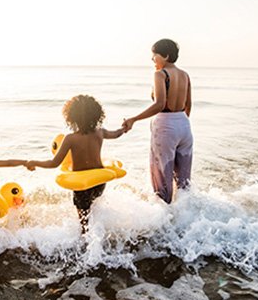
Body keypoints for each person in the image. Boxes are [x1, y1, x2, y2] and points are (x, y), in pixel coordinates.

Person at [27, 95, 124, 232]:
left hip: (81, 185)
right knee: (95, 206)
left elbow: (54, 163)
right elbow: (116, 134)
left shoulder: (70, 139)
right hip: (99, 182)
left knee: (84, 221)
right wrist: (124, 128)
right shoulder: (100, 132)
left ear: (71, 118)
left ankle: (86, 238)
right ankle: (98, 232)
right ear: (96, 114)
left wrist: (34, 162)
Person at [122, 39, 193, 203]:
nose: (152, 59)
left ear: (166, 56)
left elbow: (160, 104)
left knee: (162, 179)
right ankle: (187, 218)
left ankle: (164, 224)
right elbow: (189, 106)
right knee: (184, 182)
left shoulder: (160, 74)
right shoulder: (185, 75)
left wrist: (134, 119)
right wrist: (179, 123)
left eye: (155, 55)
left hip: (166, 126)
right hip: (184, 125)